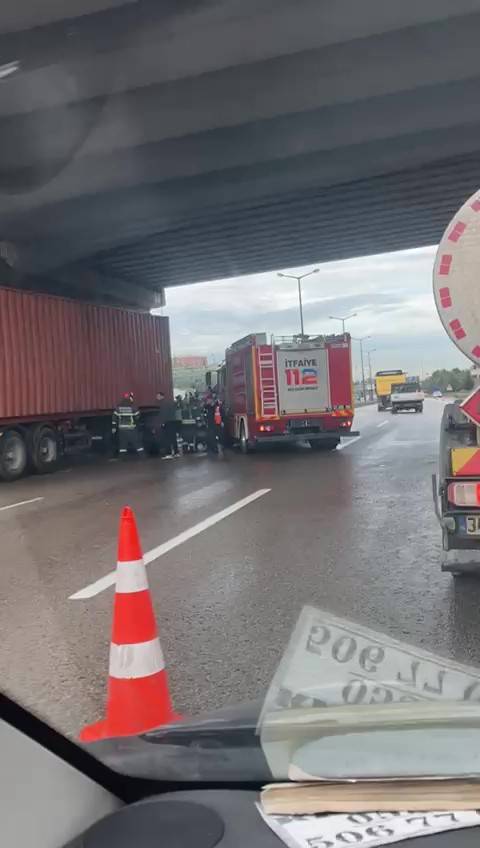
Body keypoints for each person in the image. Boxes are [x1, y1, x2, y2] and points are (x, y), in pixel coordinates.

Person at [157, 391, 180, 458]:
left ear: (161, 396)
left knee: (167, 438)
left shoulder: (162, 404)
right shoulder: (169, 403)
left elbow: (163, 414)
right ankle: (176, 453)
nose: (157, 397)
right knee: (173, 438)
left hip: (167, 422)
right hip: (173, 422)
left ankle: (169, 454)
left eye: (158, 396)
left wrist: (162, 423)